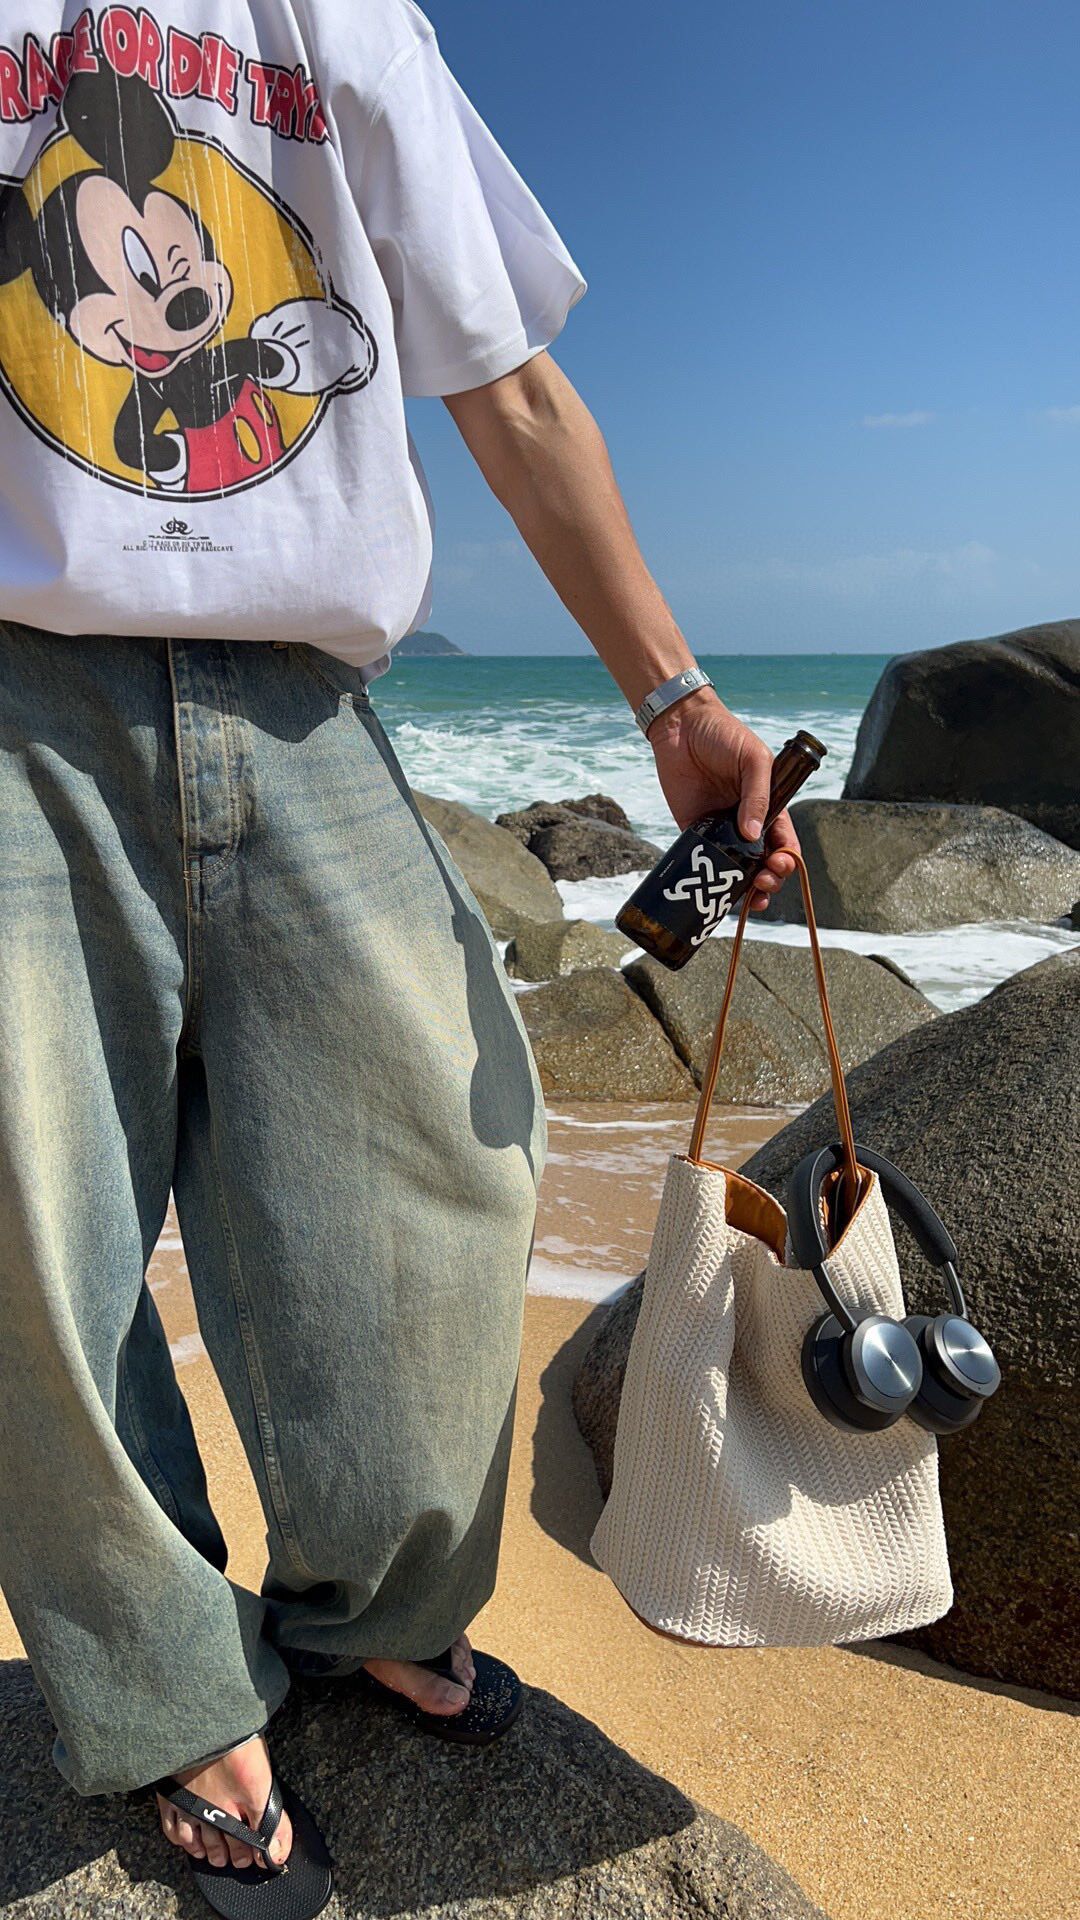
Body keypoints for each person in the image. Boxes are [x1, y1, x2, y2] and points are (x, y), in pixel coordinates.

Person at [0, 2, 799, 1908]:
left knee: (448, 1156)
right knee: (32, 1221)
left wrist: (673, 698)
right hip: (14, 685)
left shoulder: (342, 13)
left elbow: (504, 384)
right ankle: (169, 1682)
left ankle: (374, 1606)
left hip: (306, 688)